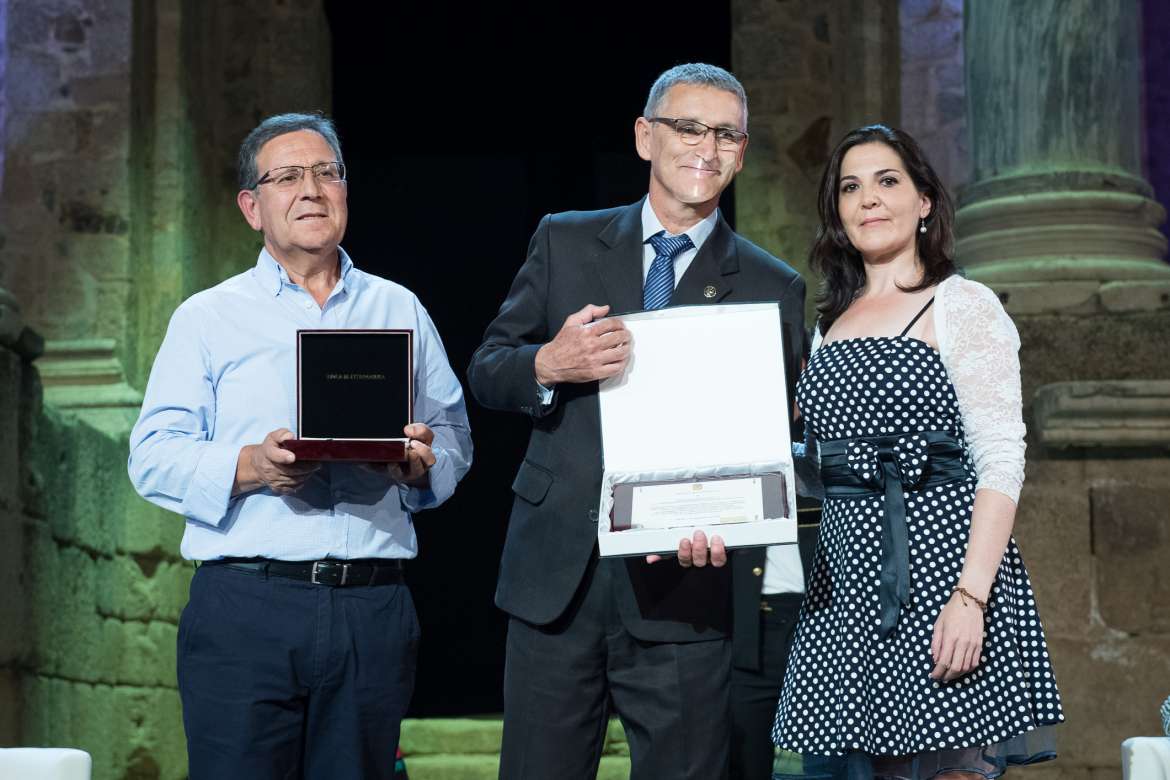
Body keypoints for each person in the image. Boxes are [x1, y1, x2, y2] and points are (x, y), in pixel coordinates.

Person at [467, 63, 805, 780]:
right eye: (687, 127)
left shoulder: (773, 287)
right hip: (556, 576)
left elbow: (770, 444)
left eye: (725, 134)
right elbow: (489, 368)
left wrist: (738, 522)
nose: (704, 149)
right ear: (646, 136)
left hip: (686, 590)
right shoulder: (564, 241)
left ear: (742, 153)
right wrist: (549, 364)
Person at [127, 113, 472, 780]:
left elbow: (454, 435)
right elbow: (152, 455)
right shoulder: (206, 317)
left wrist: (419, 465)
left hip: (371, 609)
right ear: (252, 207)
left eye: (327, 173)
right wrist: (251, 466)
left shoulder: (400, 308)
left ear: (345, 191)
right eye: (287, 176)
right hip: (246, 606)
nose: (311, 189)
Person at [771, 124, 1063, 779]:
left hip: (937, 572)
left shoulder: (964, 305)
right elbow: (826, 464)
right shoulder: (830, 321)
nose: (867, 199)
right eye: (850, 186)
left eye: (887, 181)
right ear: (837, 212)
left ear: (925, 200)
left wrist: (970, 599)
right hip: (844, 586)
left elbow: (1001, 461)